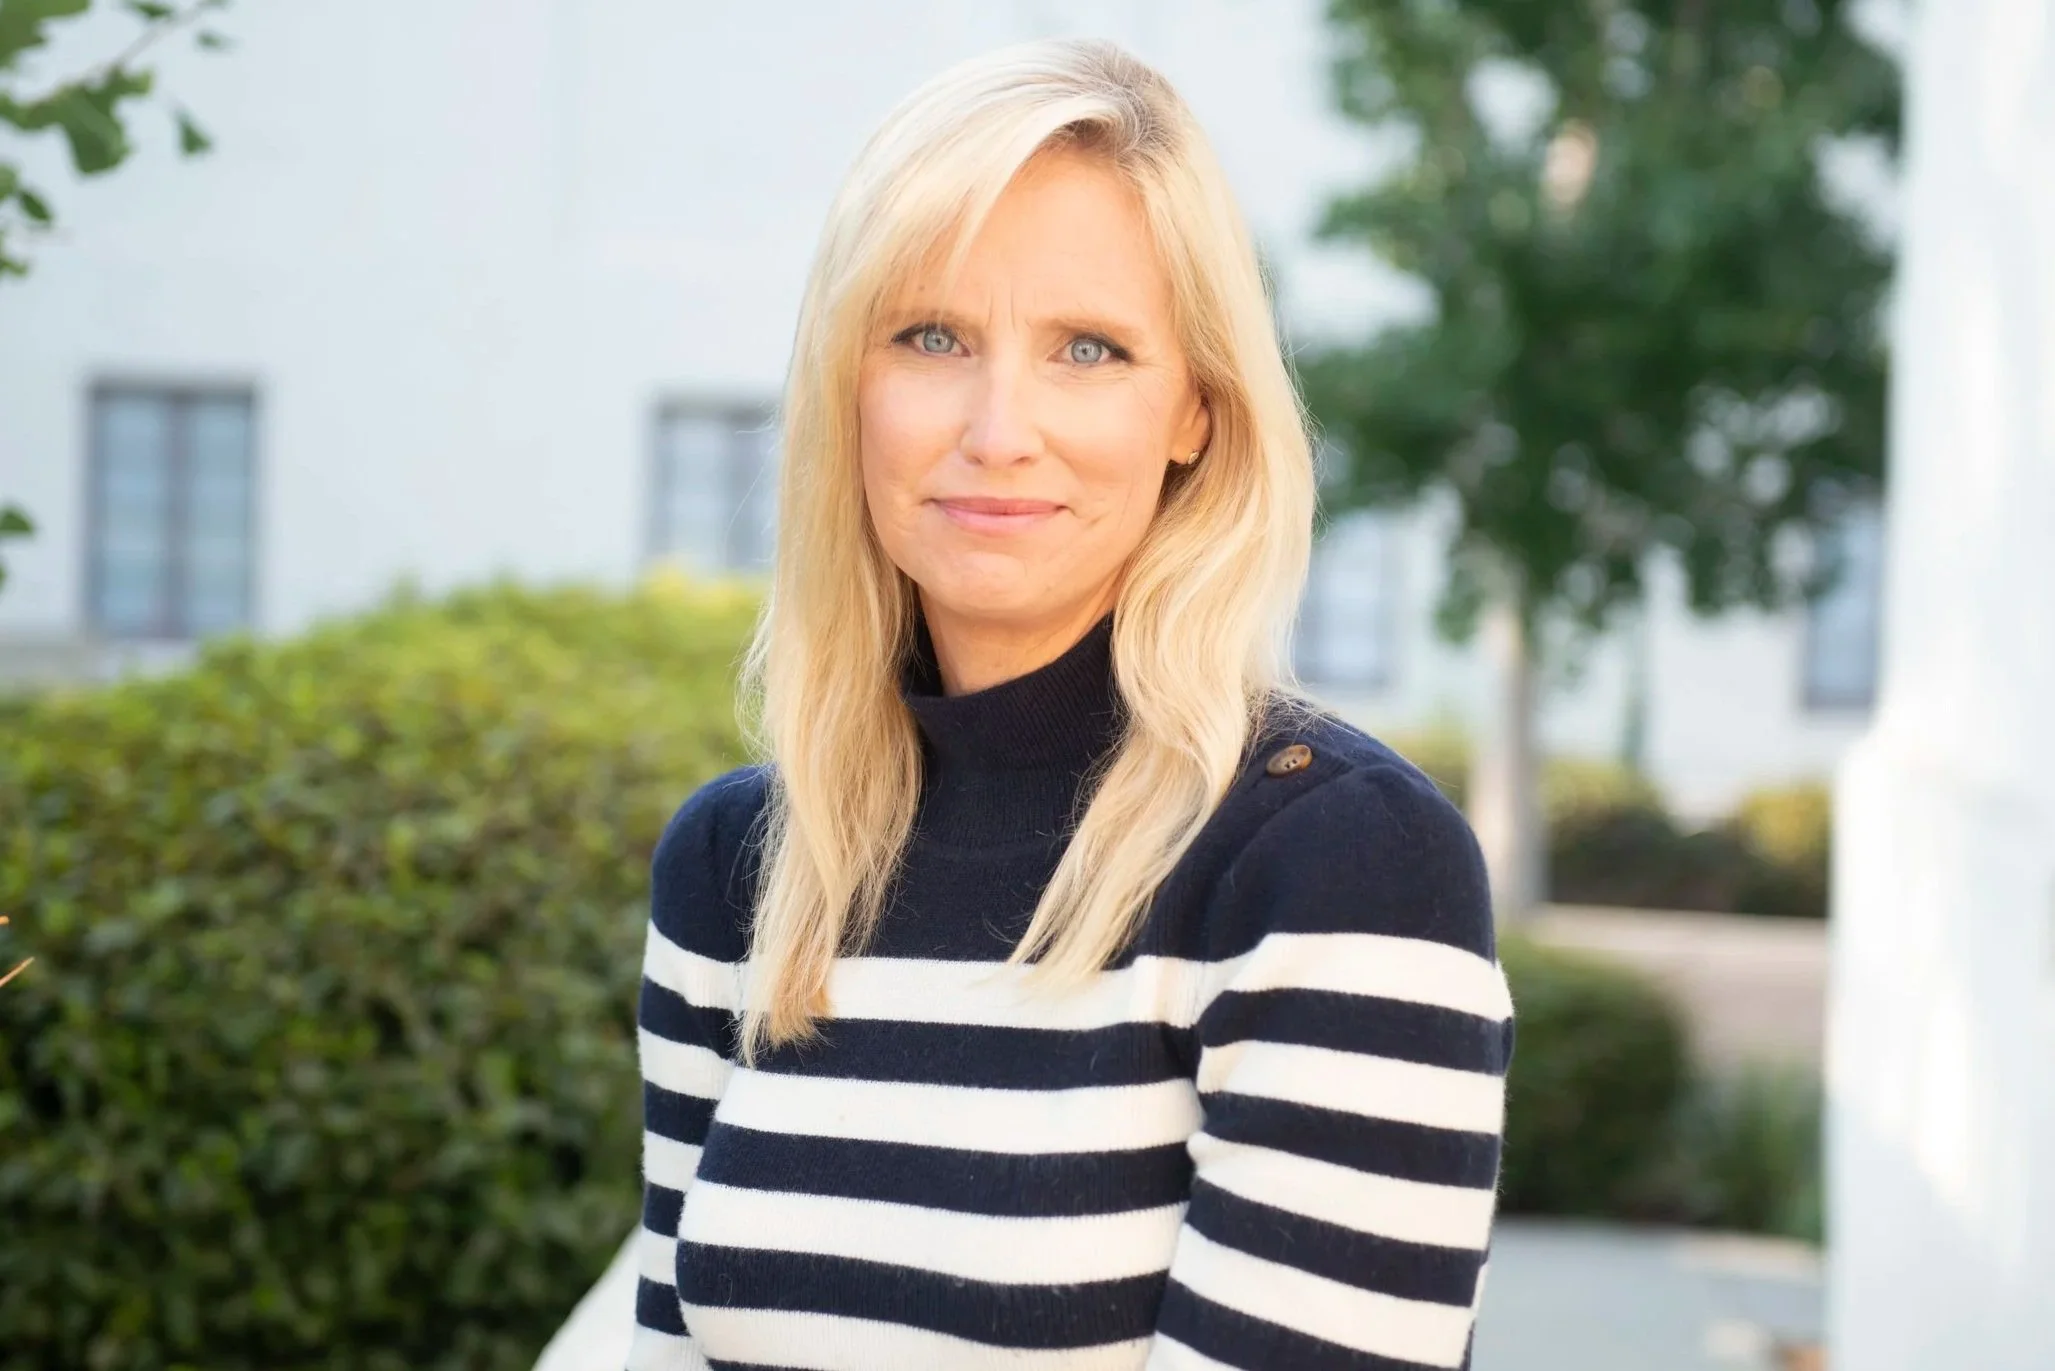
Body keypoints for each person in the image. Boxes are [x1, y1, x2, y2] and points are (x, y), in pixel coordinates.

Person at [628, 36, 1513, 1371]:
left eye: (1088, 349)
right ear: (846, 386)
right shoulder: (739, 866)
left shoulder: (1339, 869)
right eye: (930, 336)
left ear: (1195, 411)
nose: (998, 430)